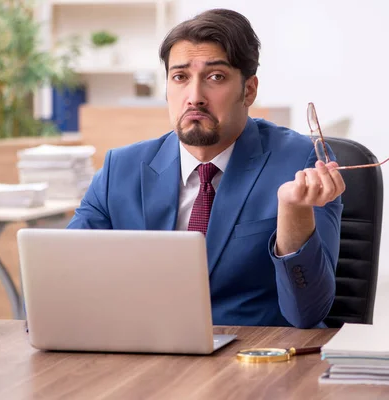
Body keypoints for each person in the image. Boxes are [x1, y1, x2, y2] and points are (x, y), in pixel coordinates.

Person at [67, 8, 346, 329]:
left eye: (215, 77)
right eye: (180, 77)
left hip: (256, 361)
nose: (194, 97)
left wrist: (293, 213)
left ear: (249, 90)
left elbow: (308, 313)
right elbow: (67, 284)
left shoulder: (301, 163)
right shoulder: (120, 169)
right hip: (145, 355)